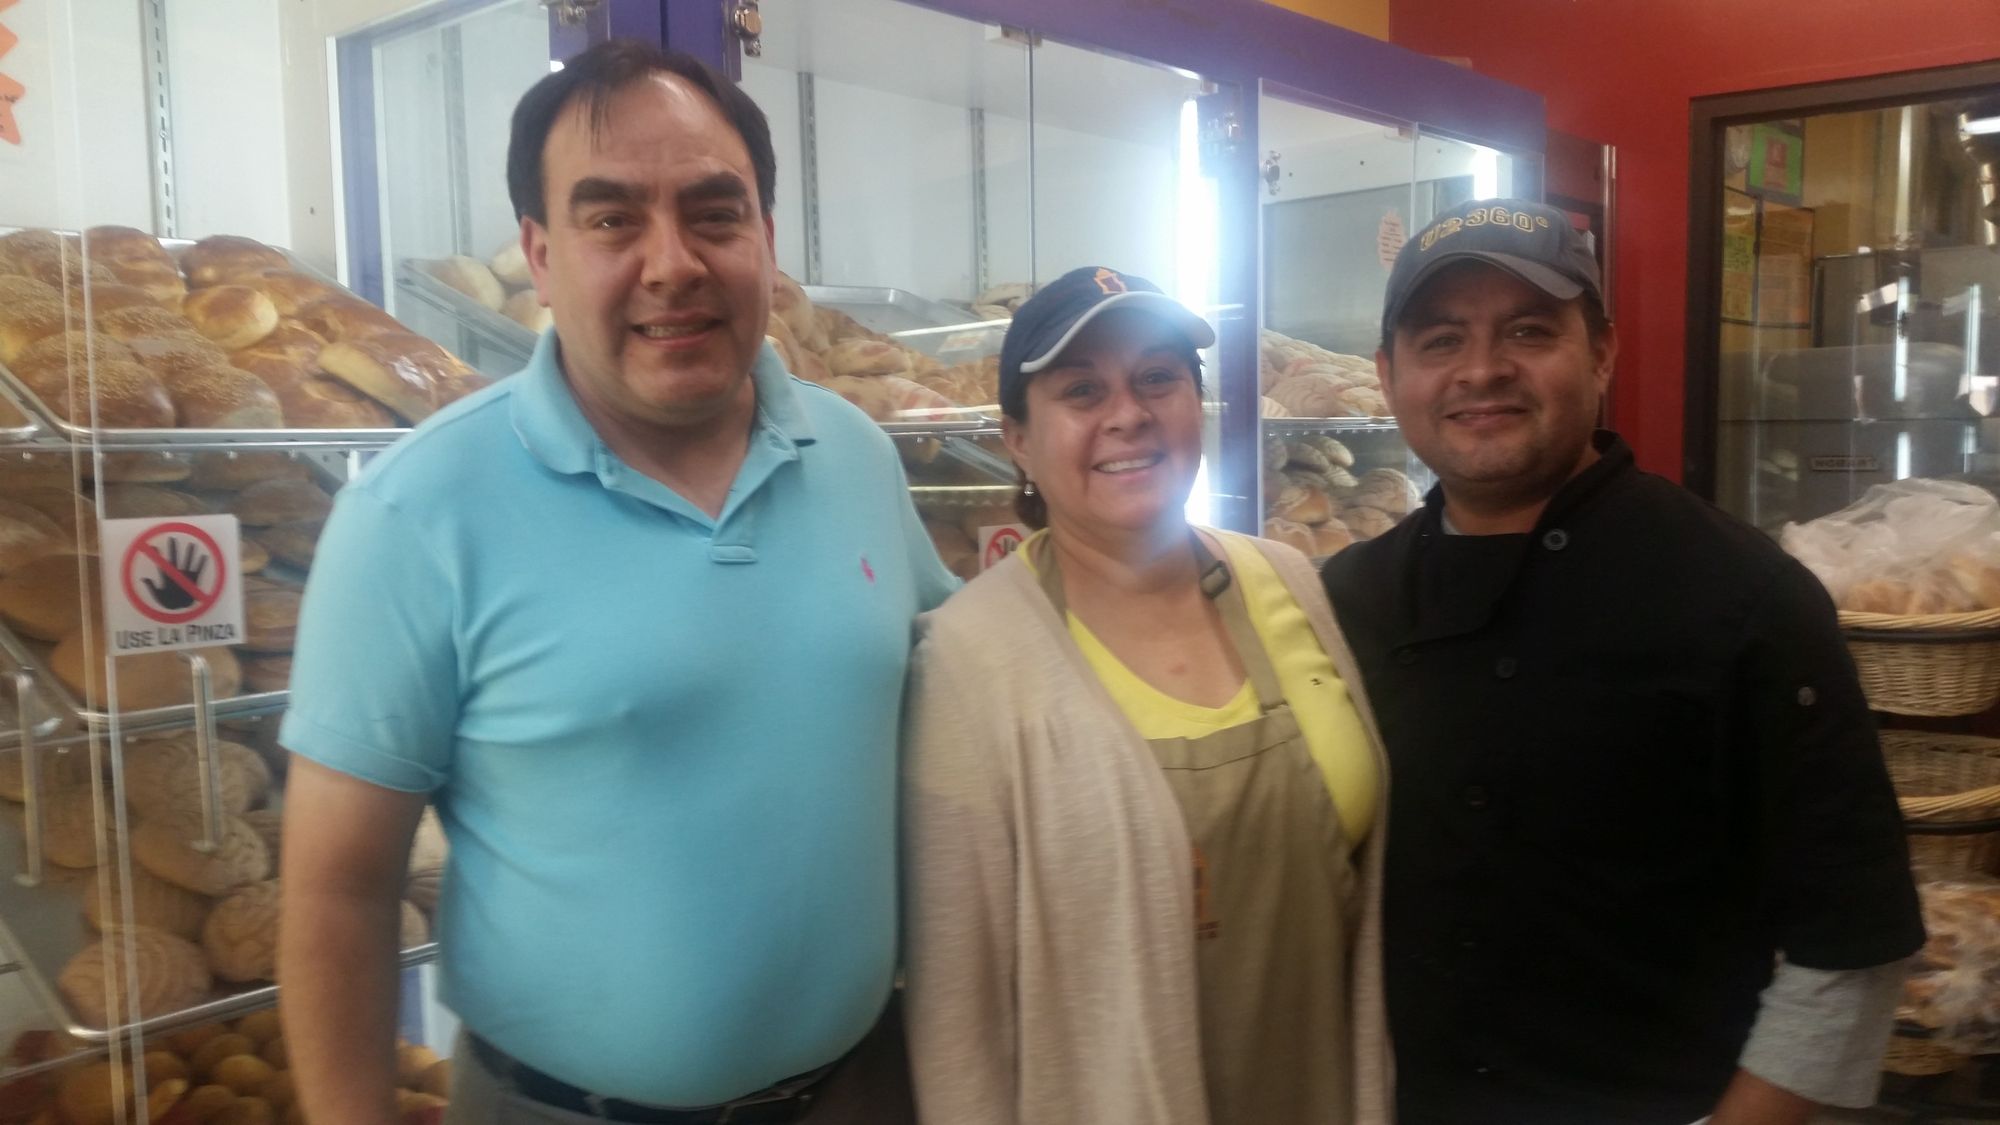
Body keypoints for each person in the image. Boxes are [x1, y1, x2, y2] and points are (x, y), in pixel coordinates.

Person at [277, 40, 953, 1125]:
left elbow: (963, 686)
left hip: (864, 1089)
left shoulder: (857, 454)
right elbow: (335, 894)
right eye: (611, 219)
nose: (672, 262)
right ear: (540, 256)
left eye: (712, 213)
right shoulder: (414, 512)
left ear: (766, 243)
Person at [1322, 197, 1925, 1125]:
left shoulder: (1746, 597)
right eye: (1441, 339)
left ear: (1602, 350)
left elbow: (1849, 937)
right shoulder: (1342, 598)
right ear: (1388, 372)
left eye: (1529, 330)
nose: (1482, 369)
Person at [901, 266, 1393, 1125]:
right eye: (1081, 389)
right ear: (1017, 436)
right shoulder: (971, 658)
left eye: (1158, 377)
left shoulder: (1290, 582)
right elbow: (958, 1018)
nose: (1127, 412)